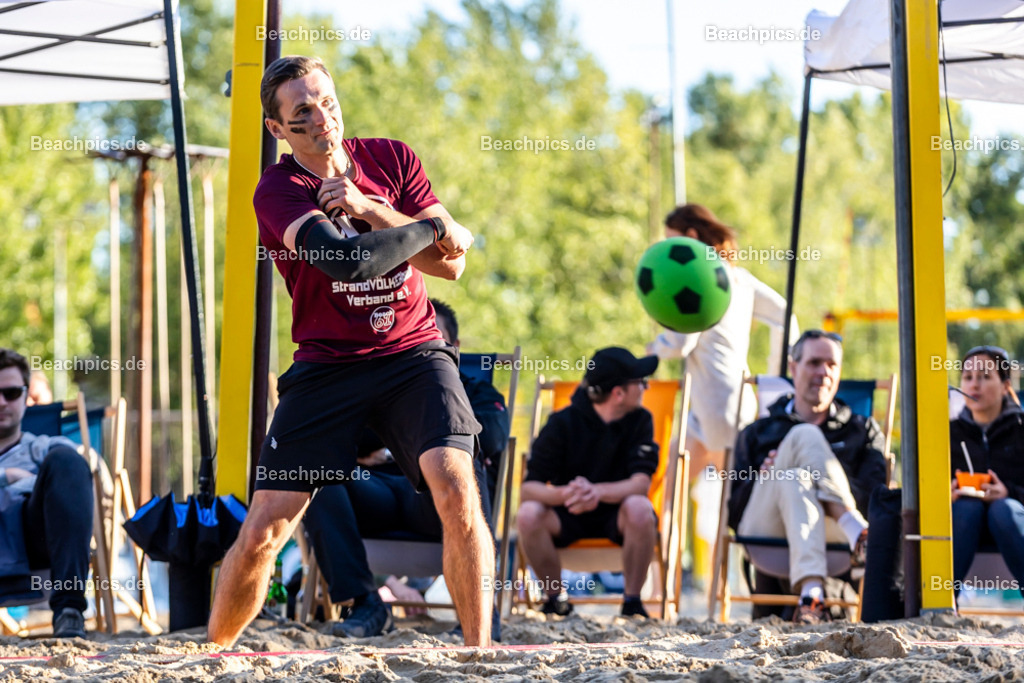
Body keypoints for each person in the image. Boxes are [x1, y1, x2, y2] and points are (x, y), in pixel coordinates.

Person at [207, 56, 493, 647]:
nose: (321, 118)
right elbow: (347, 261)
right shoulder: (280, 188)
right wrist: (432, 226)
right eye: (302, 112)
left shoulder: (392, 157)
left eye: (326, 101)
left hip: (413, 353)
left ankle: (480, 654)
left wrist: (370, 209)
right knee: (265, 528)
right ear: (277, 129)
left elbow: (452, 266)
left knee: (457, 483)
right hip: (328, 365)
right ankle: (211, 652)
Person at [302, 299, 509, 638]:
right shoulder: (379, 391)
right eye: (411, 336)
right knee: (320, 472)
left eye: (431, 336)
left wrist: (422, 443)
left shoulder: (477, 392)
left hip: (434, 499)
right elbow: (339, 438)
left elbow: (493, 434)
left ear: (453, 347)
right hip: (379, 492)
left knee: (464, 458)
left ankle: (482, 613)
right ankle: (366, 604)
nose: (420, 346)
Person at [727, 330, 888, 624]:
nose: (823, 372)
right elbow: (734, 514)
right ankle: (859, 533)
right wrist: (765, 478)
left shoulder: (861, 430)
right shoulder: (757, 432)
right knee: (802, 437)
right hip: (765, 531)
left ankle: (811, 595)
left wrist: (820, 478)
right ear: (793, 367)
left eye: (832, 364)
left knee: (794, 477)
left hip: (830, 535)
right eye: (814, 362)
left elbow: (875, 499)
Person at [648, 204, 798, 479]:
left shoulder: (700, 280)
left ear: (691, 236)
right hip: (720, 404)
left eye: (672, 240)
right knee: (671, 480)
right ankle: (664, 524)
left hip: (720, 408)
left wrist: (655, 348)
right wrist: (775, 374)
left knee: (724, 500)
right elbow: (785, 316)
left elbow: (682, 343)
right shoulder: (738, 277)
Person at [517, 347, 660, 618]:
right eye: (641, 382)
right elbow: (528, 489)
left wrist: (596, 492)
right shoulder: (562, 423)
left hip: (617, 516)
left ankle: (632, 603)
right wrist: (569, 495)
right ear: (618, 393)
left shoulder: (641, 420)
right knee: (527, 515)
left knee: (640, 508)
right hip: (567, 514)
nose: (645, 387)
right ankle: (555, 599)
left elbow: (640, 485)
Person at [0, 349, 94, 638]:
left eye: (12, 392)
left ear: (27, 397)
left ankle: (68, 610)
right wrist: (8, 476)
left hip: (34, 538)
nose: (1, 402)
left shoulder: (44, 447)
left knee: (68, 460)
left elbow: (83, 472)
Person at [949, 345, 1024, 597]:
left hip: (1012, 524)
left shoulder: (1020, 431)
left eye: (984, 376)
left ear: (1005, 386)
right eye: (968, 378)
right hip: (962, 523)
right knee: (965, 508)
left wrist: (1008, 492)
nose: (974, 385)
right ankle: (944, 603)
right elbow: (922, 489)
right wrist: (945, 495)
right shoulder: (946, 434)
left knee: (1004, 509)